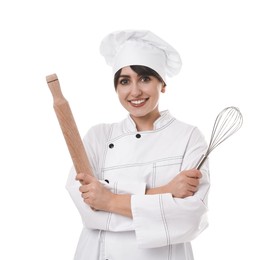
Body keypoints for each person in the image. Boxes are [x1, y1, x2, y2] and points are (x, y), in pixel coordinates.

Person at [66, 30, 210, 260]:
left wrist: (109, 200)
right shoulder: (98, 137)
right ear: (116, 88)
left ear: (162, 83)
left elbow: (189, 219)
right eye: (125, 81)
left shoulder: (188, 137)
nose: (135, 91)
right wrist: (164, 193)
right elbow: (89, 209)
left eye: (145, 78)